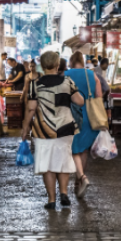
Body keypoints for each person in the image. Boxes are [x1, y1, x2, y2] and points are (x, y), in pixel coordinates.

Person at [21, 52, 85, 209]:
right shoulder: (67, 81)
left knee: (47, 164)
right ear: (58, 65)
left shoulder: (35, 84)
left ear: (42, 66)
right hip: (65, 127)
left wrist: (24, 128)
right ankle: (64, 193)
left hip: (43, 130)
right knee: (62, 161)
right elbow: (80, 101)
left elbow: (31, 109)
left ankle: (51, 199)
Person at [64, 51, 104, 198]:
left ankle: (81, 177)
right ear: (82, 60)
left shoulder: (66, 74)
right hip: (89, 116)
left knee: (74, 149)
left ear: (71, 61)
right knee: (83, 151)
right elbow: (99, 96)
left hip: (72, 115)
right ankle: (78, 181)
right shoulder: (92, 75)